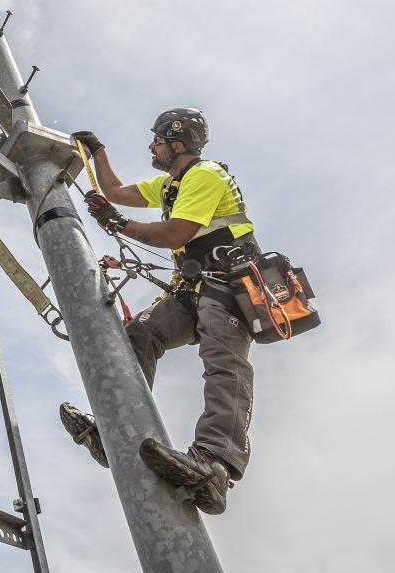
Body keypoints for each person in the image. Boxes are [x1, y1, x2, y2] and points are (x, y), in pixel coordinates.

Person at [61, 108, 258, 515]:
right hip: (195, 290)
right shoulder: (170, 183)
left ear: (177, 141)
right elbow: (116, 191)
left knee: (224, 363)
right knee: (139, 335)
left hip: (229, 286)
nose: (151, 146)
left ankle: (214, 466)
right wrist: (97, 153)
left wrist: (119, 225)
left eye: (157, 140)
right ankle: (113, 428)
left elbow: (176, 234)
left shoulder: (205, 175)